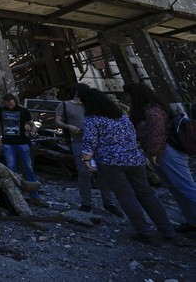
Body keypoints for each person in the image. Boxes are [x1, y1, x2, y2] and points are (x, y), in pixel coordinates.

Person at [78, 87, 177, 243]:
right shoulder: (122, 117)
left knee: (126, 197)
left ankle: (144, 233)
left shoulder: (93, 120)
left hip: (110, 163)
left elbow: (89, 143)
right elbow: (133, 136)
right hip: (134, 160)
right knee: (147, 194)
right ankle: (168, 231)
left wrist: (86, 160)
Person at [125, 82, 196, 234]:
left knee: (186, 187)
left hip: (166, 152)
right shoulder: (149, 109)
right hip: (160, 152)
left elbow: (158, 132)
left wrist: (154, 153)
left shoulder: (153, 110)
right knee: (175, 188)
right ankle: (192, 221)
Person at [55, 84, 122, 217]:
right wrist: (69, 127)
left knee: (103, 171)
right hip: (79, 141)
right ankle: (86, 203)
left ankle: (109, 203)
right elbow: (58, 121)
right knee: (85, 172)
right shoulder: (65, 105)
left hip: (98, 142)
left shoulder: (91, 105)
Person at [0, 93, 48, 207]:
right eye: (8, 105)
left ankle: (35, 197)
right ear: (5, 103)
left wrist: (33, 133)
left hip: (23, 143)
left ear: (15, 102)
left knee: (28, 168)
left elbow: (32, 125)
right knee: (11, 170)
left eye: (12, 104)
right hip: (8, 143)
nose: (10, 106)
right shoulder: (1, 110)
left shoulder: (23, 111)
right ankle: (15, 198)